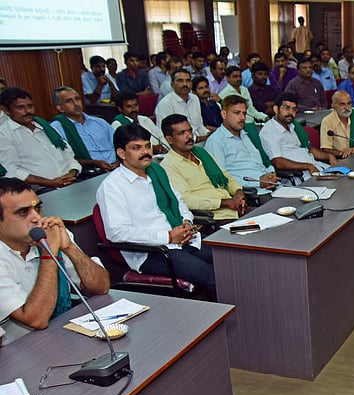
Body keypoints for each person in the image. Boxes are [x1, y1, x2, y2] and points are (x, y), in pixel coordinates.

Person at [97, 124, 216, 297]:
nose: (145, 152)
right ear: (121, 153)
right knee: (211, 275)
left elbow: (178, 201)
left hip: (184, 239)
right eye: (136, 148)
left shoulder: (156, 172)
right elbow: (117, 233)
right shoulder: (112, 187)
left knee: (228, 257)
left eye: (147, 146)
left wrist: (186, 222)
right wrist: (168, 236)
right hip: (154, 252)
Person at [0, 177, 110, 344]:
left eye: (38, 208)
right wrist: (48, 254)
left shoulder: (50, 234)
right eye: (23, 212)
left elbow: (101, 287)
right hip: (21, 348)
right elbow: (36, 320)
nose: (36, 218)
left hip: (63, 333)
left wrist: (69, 248)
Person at [160, 113, 246, 223]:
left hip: (236, 209)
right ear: (169, 139)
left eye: (190, 131)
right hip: (215, 218)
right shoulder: (168, 166)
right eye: (182, 133)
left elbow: (226, 176)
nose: (189, 136)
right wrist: (224, 203)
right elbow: (187, 200)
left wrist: (238, 192)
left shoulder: (202, 154)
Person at [0, 88, 81, 189]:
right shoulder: (4, 134)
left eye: (30, 106)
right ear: (6, 110)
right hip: (42, 189)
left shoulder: (45, 127)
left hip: (71, 181)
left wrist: (73, 172)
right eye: (20, 107)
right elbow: (12, 170)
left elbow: (69, 155)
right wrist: (48, 182)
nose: (28, 111)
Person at [204, 95, 279, 191]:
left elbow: (259, 165)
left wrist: (271, 174)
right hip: (250, 193)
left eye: (244, 113)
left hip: (271, 186)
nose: (242, 117)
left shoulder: (246, 135)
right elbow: (221, 179)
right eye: (237, 113)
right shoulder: (216, 141)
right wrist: (258, 182)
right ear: (224, 114)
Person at [259, 92, 334, 179]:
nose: (291, 112)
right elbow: (277, 162)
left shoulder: (291, 126)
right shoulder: (269, 131)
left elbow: (307, 149)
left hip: (315, 166)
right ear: (276, 109)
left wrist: (329, 156)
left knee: (343, 175)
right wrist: (307, 166)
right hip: (300, 175)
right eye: (287, 108)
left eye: (294, 109)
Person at [50, 86, 117, 172]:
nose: (76, 103)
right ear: (60, 108)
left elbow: (120, 144)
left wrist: (119, 162)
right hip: (90, 171)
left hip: (117, 167)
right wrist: (94, 163)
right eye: (69, 101)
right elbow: (65, 158)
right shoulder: (57, 128)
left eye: (77, 99)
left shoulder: (100, 122)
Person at [155, 69, 210, 141]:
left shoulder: (194, 98)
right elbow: (166, 134)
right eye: (180, 81)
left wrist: (208, 134)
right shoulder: (165, 104)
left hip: (201, 141)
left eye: (188, 81)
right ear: (172, 84)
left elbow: (199, 126)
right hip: (180, 144)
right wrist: (197, 139)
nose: (185, 84)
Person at [319, 90, 354, 159]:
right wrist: (344, 152)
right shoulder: (327, 121)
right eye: (342, 104)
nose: (347, 108)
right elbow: (325, 149)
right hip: (339, 159)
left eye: (349, 103)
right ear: (333, 105)